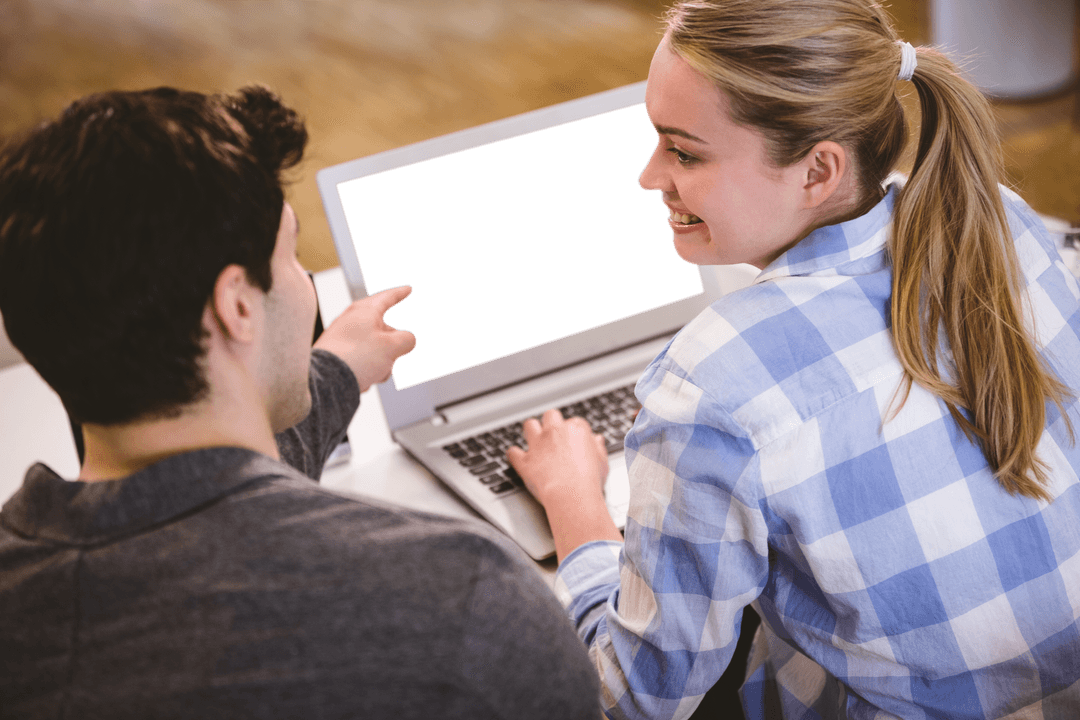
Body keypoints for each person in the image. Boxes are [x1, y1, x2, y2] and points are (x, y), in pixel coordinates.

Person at [506, 1, 1080, 718]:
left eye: (684, 151)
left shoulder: (714, 382)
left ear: (818, 172)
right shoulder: (1003, 221)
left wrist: (576, 509)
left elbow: (631, 702)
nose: (649, 176)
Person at [0, 86, 602, 719]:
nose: (306, 287)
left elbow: (194, 487)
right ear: (237, 305)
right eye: (291, 255)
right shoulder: (463, 602)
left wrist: (336, 370)